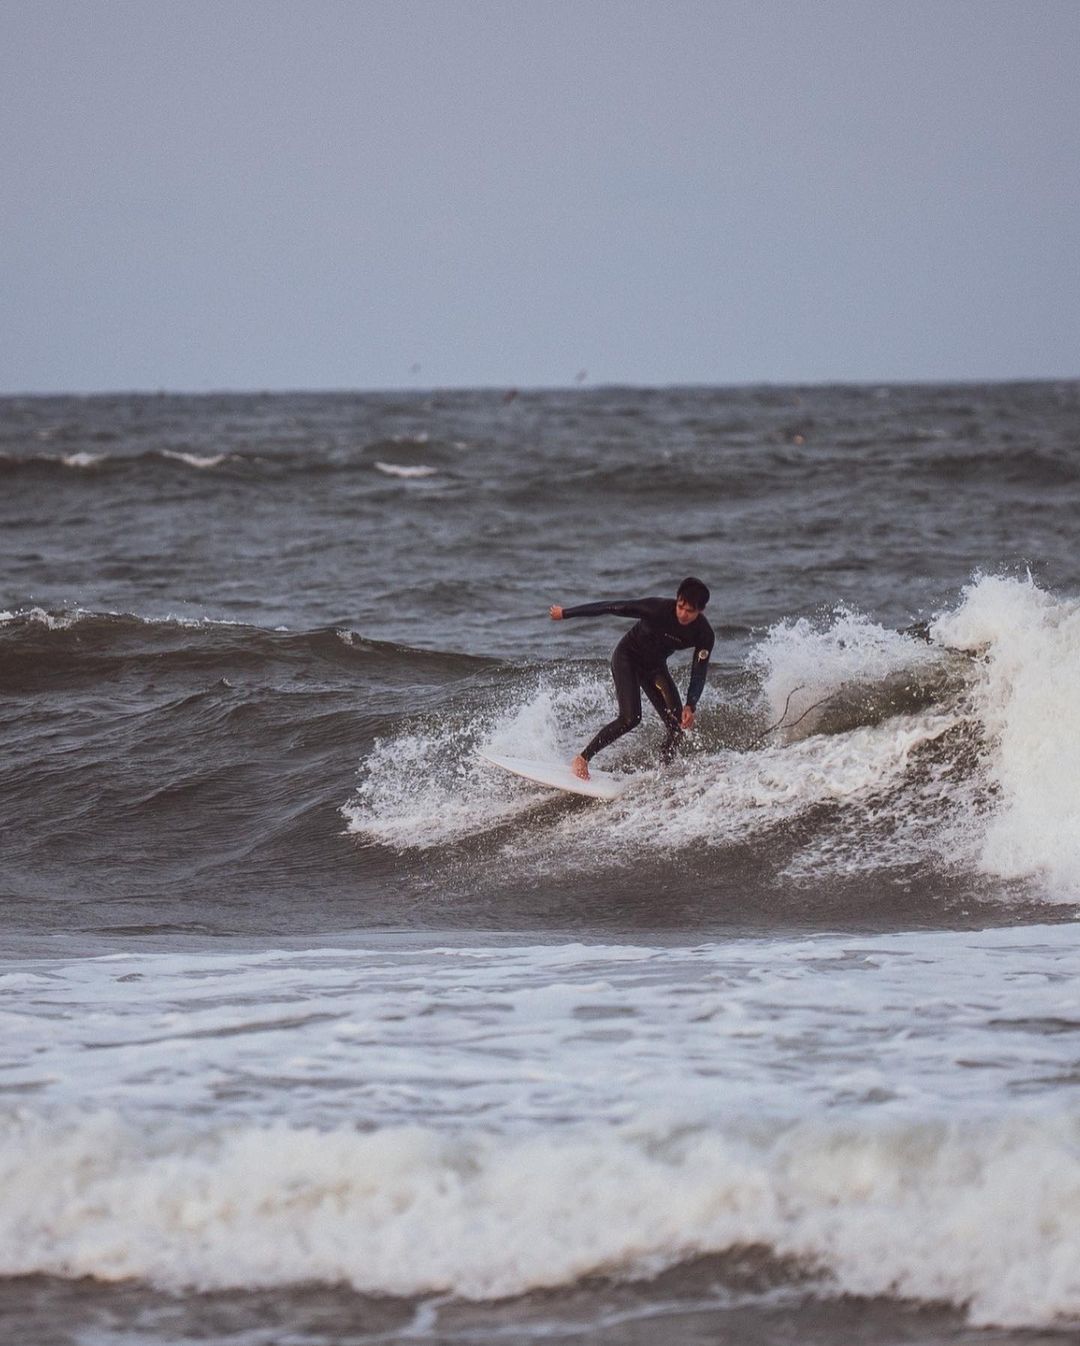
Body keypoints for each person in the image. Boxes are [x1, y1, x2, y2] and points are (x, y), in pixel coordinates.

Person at [549, 577, 714, 779]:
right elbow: (611, 607)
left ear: (701, 610)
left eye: (689, 611)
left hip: (654, 667)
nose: (683, 613)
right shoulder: (657, 609)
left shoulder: (704, 634)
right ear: (677, 600)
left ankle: (662, 772)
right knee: (630, 718)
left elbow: (699, 671)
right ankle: (582, 759)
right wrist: (565, 613)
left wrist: (691, 705)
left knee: (677, 727)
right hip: (627, 658)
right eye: (680, 606)